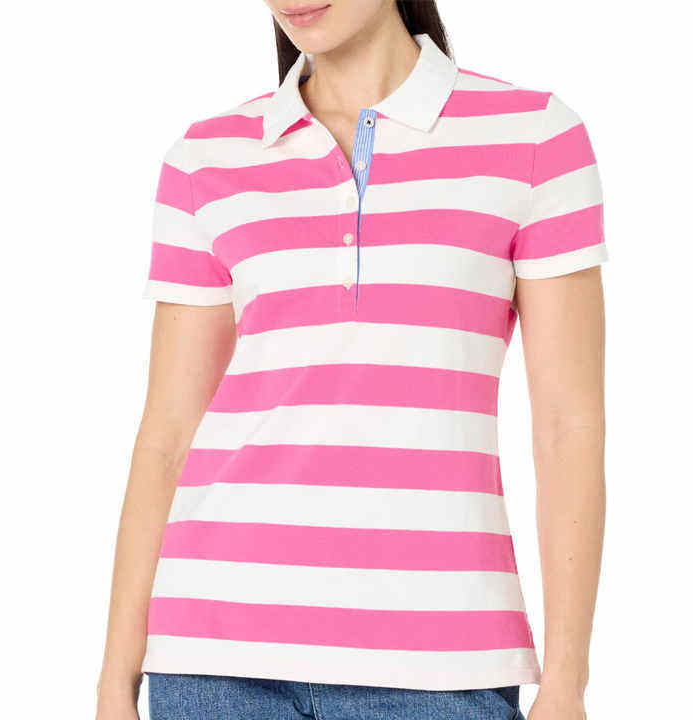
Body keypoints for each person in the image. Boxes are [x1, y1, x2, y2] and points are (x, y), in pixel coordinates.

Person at [96, 1, 608, 718]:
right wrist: (114, 681)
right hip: (212, 654)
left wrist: (567, 681)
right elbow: (167, 436)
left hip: (442, 659)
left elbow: (567, 427)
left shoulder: (533, 138)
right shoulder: (206, 157)